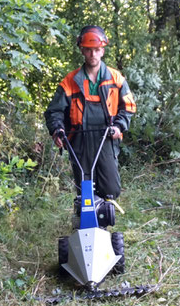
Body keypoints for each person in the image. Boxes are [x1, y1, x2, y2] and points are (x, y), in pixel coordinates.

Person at [44, 25, 136, 199]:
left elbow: (128, 107)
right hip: (79, 139)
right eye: (88, 50)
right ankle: (83, 221)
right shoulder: (70, 81)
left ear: (102, 51)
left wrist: (119, 126)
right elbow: (54, 111)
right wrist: (57, 130)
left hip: (106, 137)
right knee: (85, 190)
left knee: (111, 190)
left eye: (96, 50)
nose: (93, 54)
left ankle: (104, 218)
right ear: (82, 51)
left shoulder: (116, 79)